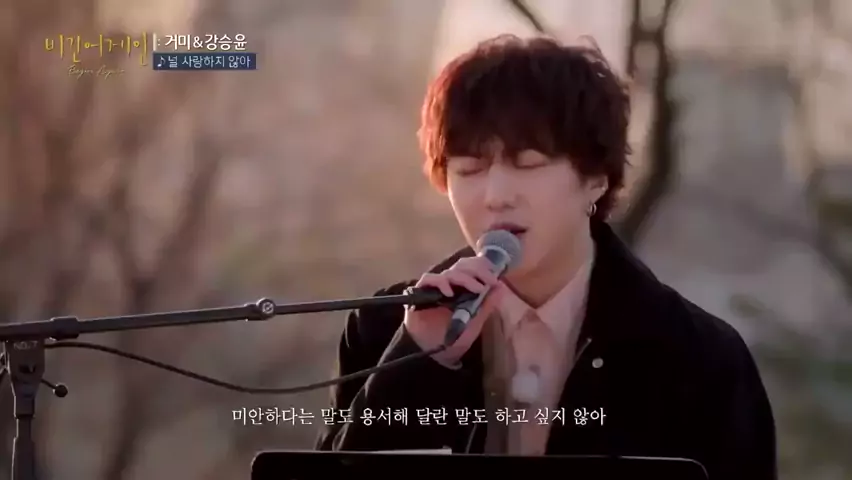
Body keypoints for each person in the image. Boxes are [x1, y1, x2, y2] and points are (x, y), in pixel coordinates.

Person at [316, 34, 776, 479]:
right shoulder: (385, 328)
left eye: (529, 164)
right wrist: (418, 362)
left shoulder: (696, 356)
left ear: (596, 178)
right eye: (469, 170)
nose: (496, 196)